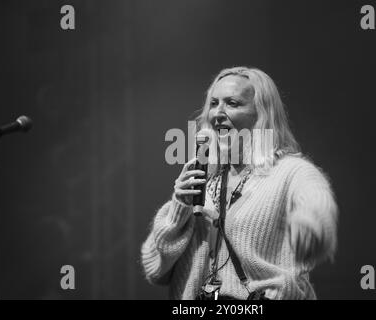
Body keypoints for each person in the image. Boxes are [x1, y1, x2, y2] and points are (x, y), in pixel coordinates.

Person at [141, 67, 338, 300]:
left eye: (232, 103)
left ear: (262, 114)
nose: (218, 113)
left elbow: (316, 201)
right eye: (213, 103)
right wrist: (178, 209)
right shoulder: (203, 175)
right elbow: (155, 269)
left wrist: (311, 223)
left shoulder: (289, 171)